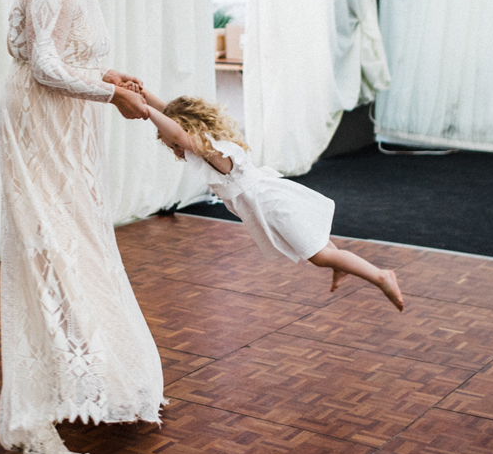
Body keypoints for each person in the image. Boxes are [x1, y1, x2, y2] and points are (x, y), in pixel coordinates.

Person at [0, 0, 165, 454]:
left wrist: (111, 77)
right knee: (50, 245)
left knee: (83, 240)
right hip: (38, 125)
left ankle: (91, 373)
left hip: (71, 125)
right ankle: (41, 392)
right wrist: (107, 94)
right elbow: (42, 65)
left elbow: (73, 57)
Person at [141, 91, 403, 311]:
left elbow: (177, 133)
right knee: (320, 246)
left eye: (174, 144)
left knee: (320, 256)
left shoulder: (213, 152)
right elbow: (171, 116)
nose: (176, 149)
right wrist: (143, 95)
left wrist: (143, 109)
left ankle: (381, 276)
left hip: (273, 207)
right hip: (270, 199)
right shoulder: (210, 143)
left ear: (191, 130)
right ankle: (342, 265)